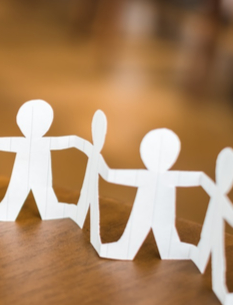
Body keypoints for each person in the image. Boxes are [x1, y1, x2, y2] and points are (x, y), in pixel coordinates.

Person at [98, 128, 209, 260]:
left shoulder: (159, 177)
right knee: (135, 242)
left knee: (166, 245)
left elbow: (110, 175)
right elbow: (110, 175)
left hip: (159, 216)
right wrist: (100, 164)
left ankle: (181, 251)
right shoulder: (158, 176)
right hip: (146, 215)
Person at [0, 99, 87, 221]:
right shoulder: (36, 142)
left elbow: (70, 140)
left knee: (44, 201)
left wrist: (85, 146)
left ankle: (54, 210)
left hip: (38, 178)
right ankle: (9, 210)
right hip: (24, 177)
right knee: (21, 197)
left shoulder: (38, 142)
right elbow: (71, 140)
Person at [190, 147, 233, 305]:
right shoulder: (218, 194)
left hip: (212, 233)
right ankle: (219, 287)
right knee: (212, 257)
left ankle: (220, 288)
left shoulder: (218, 195)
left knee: (215, 258)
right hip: (210, 233)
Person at [71, 110, 109, 254]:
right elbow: (75, 141)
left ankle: (95, 237)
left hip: (92, 186)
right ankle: (79, 219)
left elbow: (106, 173)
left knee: (93, 209)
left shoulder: (96, 154)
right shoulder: (90, 148)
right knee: (84, 203)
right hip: (87, 184)